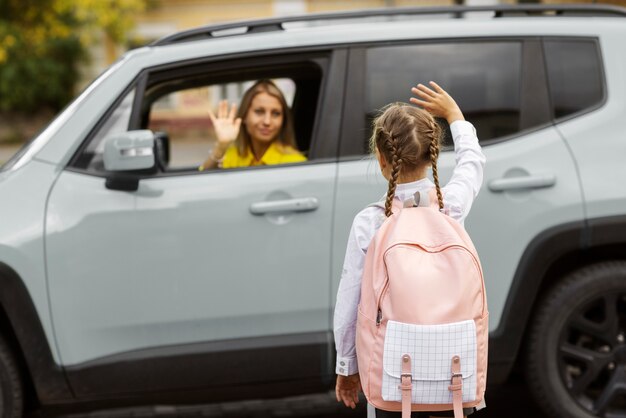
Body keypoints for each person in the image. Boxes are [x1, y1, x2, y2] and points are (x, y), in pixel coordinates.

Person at [333, 81, 486, 418]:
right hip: (454, 373)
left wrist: (347, 367)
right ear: (434, 154)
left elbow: (350, 302)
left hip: (391, 377)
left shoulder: (370, 222)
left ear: (381, 157)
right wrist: (455, 116)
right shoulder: (451, 208)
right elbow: (472, 164)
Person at [199, 79, 307, 170]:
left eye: (275, 114)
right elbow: (201, 183)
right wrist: (221, 146)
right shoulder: (232, 156)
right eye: (259, 111)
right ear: (245, 115)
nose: (267, 121)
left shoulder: (295, 162)